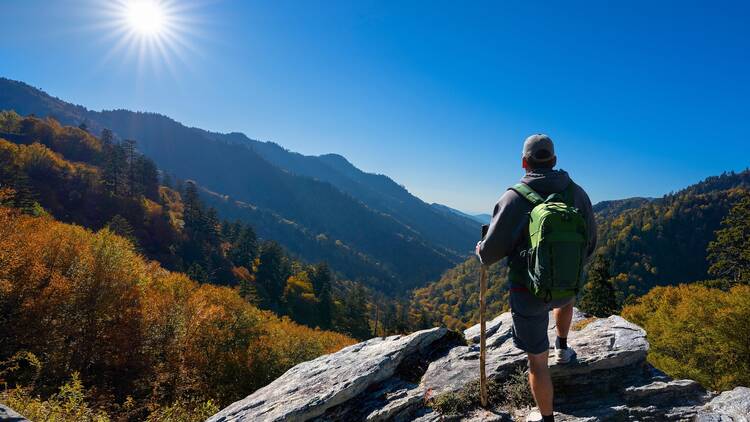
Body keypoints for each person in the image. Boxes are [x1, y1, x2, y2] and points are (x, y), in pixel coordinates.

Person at [475, 134, 597, 422]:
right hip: (567, 287)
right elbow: (589, 243)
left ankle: (547, 418)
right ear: (554, 160)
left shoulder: (513, 198)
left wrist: (480, 250)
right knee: (563, 300)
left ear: (524, 162)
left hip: (527, 291)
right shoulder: (577, 193)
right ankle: (563, 348)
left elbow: (490, 253)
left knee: (537, 364)